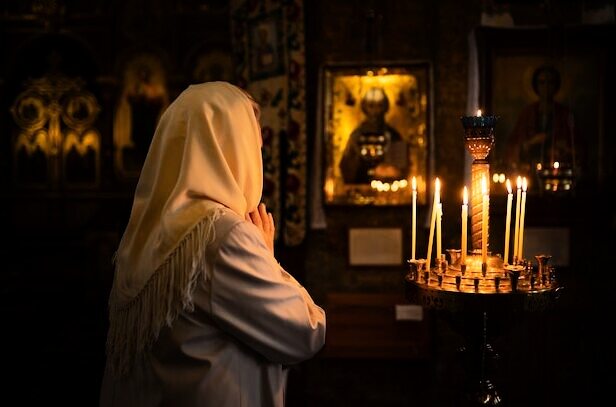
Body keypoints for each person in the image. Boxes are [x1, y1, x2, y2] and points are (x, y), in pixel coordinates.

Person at [100, 81, 326, 406]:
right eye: (252, 140)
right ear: (233, 146)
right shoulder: (224, 235)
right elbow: (305, 334)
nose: (257, 151)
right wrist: (267, 257)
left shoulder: (145, 229)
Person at [507, 64, 577, 175]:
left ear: (556, 86)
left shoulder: (565, 114)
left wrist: (562, 149)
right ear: (536, 86)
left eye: (550, 83)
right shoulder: (527, 113)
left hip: (557, 172)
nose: (546, 87)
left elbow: (576, 147)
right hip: (530, 170)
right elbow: (513, 146)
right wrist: (530, 143)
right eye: (542, 82)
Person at [339, 86, 409, 184]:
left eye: (379, 105)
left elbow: (402, 169)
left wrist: (388, 170)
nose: (375, 111)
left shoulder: (394, 136)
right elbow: (346, 167)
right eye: (371, 106)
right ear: (365, 107)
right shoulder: (355, 136)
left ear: (385, 107)